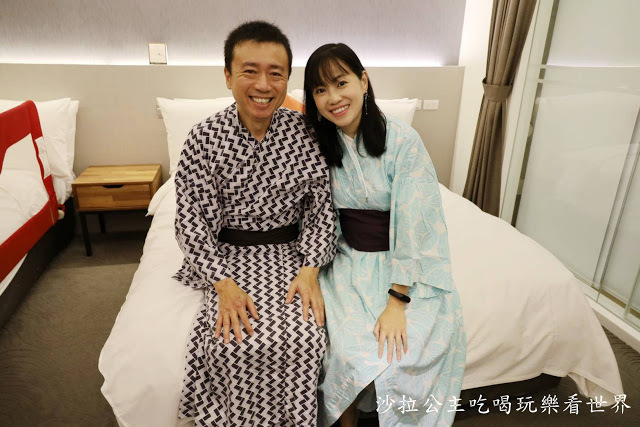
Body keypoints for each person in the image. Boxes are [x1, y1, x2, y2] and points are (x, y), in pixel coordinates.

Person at [173, 21, 336, 426]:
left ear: (287, 80)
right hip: (226, 256)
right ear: (228, 76)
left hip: (290, 253)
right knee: (229, 341)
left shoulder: (307, 135)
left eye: (275, 73)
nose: (263, 85)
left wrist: (311, 269)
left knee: (306, 337)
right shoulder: (203, 139)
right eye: (250, 71)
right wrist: (222, 284)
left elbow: (322, 210)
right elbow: (190, 221)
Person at [303, 43, 466, 426]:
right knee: (345, 351)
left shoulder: (404, 142)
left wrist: (397, 301)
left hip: (403, 266)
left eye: (341, 83)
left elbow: (413, 224)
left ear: (363, 81)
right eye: (320, 90)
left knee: (408, 348)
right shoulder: (316, 144)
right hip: (347, 261)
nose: (333, 98)